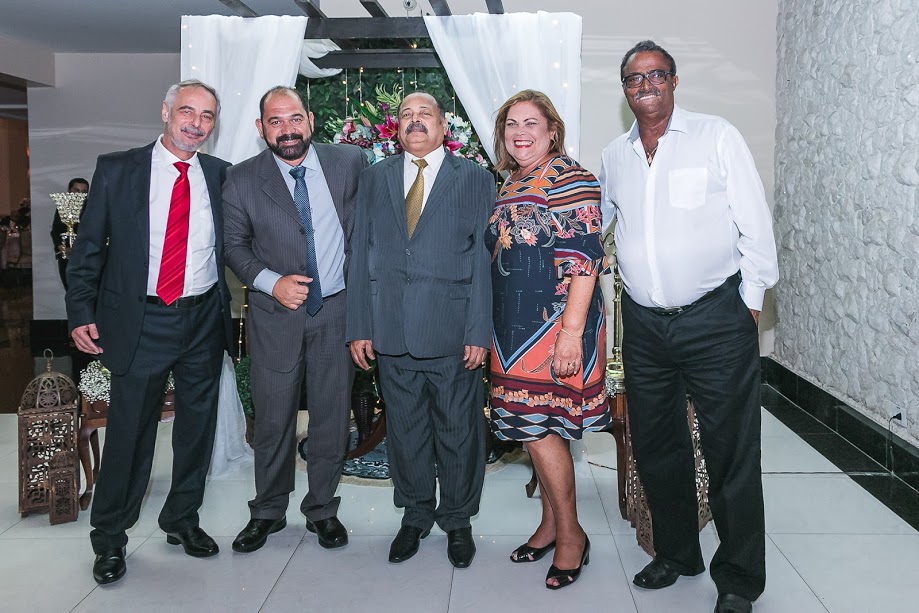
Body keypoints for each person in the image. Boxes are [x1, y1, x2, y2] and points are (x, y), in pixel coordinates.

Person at [599, 41, 779, 613]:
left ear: (674, 81)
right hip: (644, 326)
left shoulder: (715, 136)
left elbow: (755, 224)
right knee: (657, 447)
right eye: (634, 78)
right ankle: (678, 553)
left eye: (656, 74)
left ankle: (739, 577)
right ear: (624, 90)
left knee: (731, 451)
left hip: (715, 320)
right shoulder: (615, 155)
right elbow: (599, 224)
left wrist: (749, 302)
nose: (645, 84)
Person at [66, 79, 233, 585]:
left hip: (203, 318)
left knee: (196, 431)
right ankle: (109, 537)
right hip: (141, 319)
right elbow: (87, 248)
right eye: (187, 111)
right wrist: (80, 311)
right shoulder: (119, 169)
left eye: (207, 116)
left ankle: (181, 519)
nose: (196, 124)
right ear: (165, 111)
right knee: (130, 435)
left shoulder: (221, 175)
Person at [347, 91, 494, 568]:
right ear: (396, 127)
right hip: (390, 329)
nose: (415, 121)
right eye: (406, 114)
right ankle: (414, 514)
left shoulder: (474, 178)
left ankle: (458, 519)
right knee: (405, 430)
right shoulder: (374, 177)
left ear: (443, 126)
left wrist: (478, 331)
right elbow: (360, 253)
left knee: (458, 430)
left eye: (424, 114)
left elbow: (483, 260)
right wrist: (359, 325)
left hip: (453, 331)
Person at [223, 86, 367, 553]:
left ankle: (322, 509)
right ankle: (267, 510)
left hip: (338, 310)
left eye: (294, 119)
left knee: (331, 417)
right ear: (261, 128)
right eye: (275, 121)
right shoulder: (242, 179)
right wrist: (271, 282)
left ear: (310, 120)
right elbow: (233, 246)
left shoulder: (350, 163)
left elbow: (366, 233)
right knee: (273, 419)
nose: (287, 130)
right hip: (274, 316)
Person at [486, 90, 611, 589]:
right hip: (511, 331)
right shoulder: (512, 180)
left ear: (552, 130)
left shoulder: (570, 178)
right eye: (511, 124)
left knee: (539, 430)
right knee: (534, 430)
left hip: (553, 328)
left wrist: (571, 336)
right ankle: (550, 524)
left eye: (531, 123)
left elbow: (585, 260)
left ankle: (571, 536)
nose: (520, 132)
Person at [51, 177, 89, 288]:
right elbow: (55, 230)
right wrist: (62, 248)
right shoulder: (63, 206)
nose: (79, 194)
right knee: (69, 289)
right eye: (76, 190)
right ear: (69, 191)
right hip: (66, 256)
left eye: (83, 192)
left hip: (86, 256)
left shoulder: (92, 208)